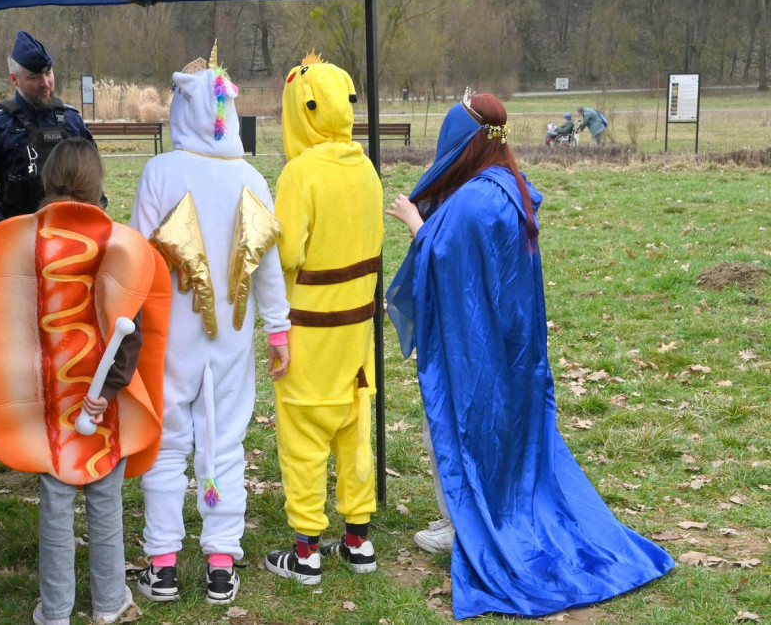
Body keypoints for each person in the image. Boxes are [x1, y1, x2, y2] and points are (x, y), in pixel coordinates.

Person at [386, 92, 674, 620]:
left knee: (454, 428)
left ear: (464, 145)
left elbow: (446, 267)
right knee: (502, 435)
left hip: (477, 351)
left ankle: (466, 527)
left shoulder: (476, 202)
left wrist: (413, 222)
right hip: (511, 349)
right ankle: (474, 516)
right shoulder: (507, 187)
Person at [0, 136, 170, 625]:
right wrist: (107, 393)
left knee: (56, 505)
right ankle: (110, 603)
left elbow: (9, 326)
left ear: (45, 181)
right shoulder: (120, 247)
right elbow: (131, 335)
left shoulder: (21, 243)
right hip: (102, 404)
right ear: (98, 183)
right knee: (106, 504)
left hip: (48, 405)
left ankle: (56, 611)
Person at [130, 53, 291, 605]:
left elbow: (135, 260)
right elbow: (268, 263)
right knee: (224, 442)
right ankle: (221, 562)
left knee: (169, 445)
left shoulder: (161, 172)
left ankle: (164, 563)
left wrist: (128, 326)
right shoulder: (252, 178)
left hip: (169, 338)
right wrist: (278, 330)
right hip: (231, 342)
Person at [264, 53, 384, 586]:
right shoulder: (367, 168)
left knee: (305, 438)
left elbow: (287, 254)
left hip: (309, 334)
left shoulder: (300, 174)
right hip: (357, 335)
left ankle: (307, 551)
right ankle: (358, 540)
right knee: (354, 434)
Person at [0, 31, 96, 234]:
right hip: (17, 238)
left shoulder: (72, 120)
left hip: (71, 235)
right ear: (15, 79)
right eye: (35, 77)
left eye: (48, 73)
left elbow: (93, 178)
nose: (45, 83)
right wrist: (5, 229)